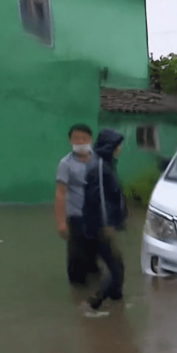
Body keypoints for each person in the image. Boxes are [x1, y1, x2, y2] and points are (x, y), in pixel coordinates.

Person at [82, 129, 129, 310]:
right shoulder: (100, 167)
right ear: (111, 146)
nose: (120, 148)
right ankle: (93, 302)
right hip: (101, 227)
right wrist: (107, 224)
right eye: (118, 145)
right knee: (117, 267)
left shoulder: (105, 164)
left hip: (99, 225)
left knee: (114, 265)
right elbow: (100, 198)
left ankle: (117, 304)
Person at [55, 124, 101, 286]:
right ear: (70, 141)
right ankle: (77, 295)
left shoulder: (99, 160)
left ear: (91, 140)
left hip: (97, 216)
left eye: (84, 138)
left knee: (96, 255)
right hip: (76, 216)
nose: (80, 142)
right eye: (76, 139)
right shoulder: (65, 164)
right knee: (76, 257)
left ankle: (96, 291)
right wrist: (61, 222)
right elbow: (60, 192)